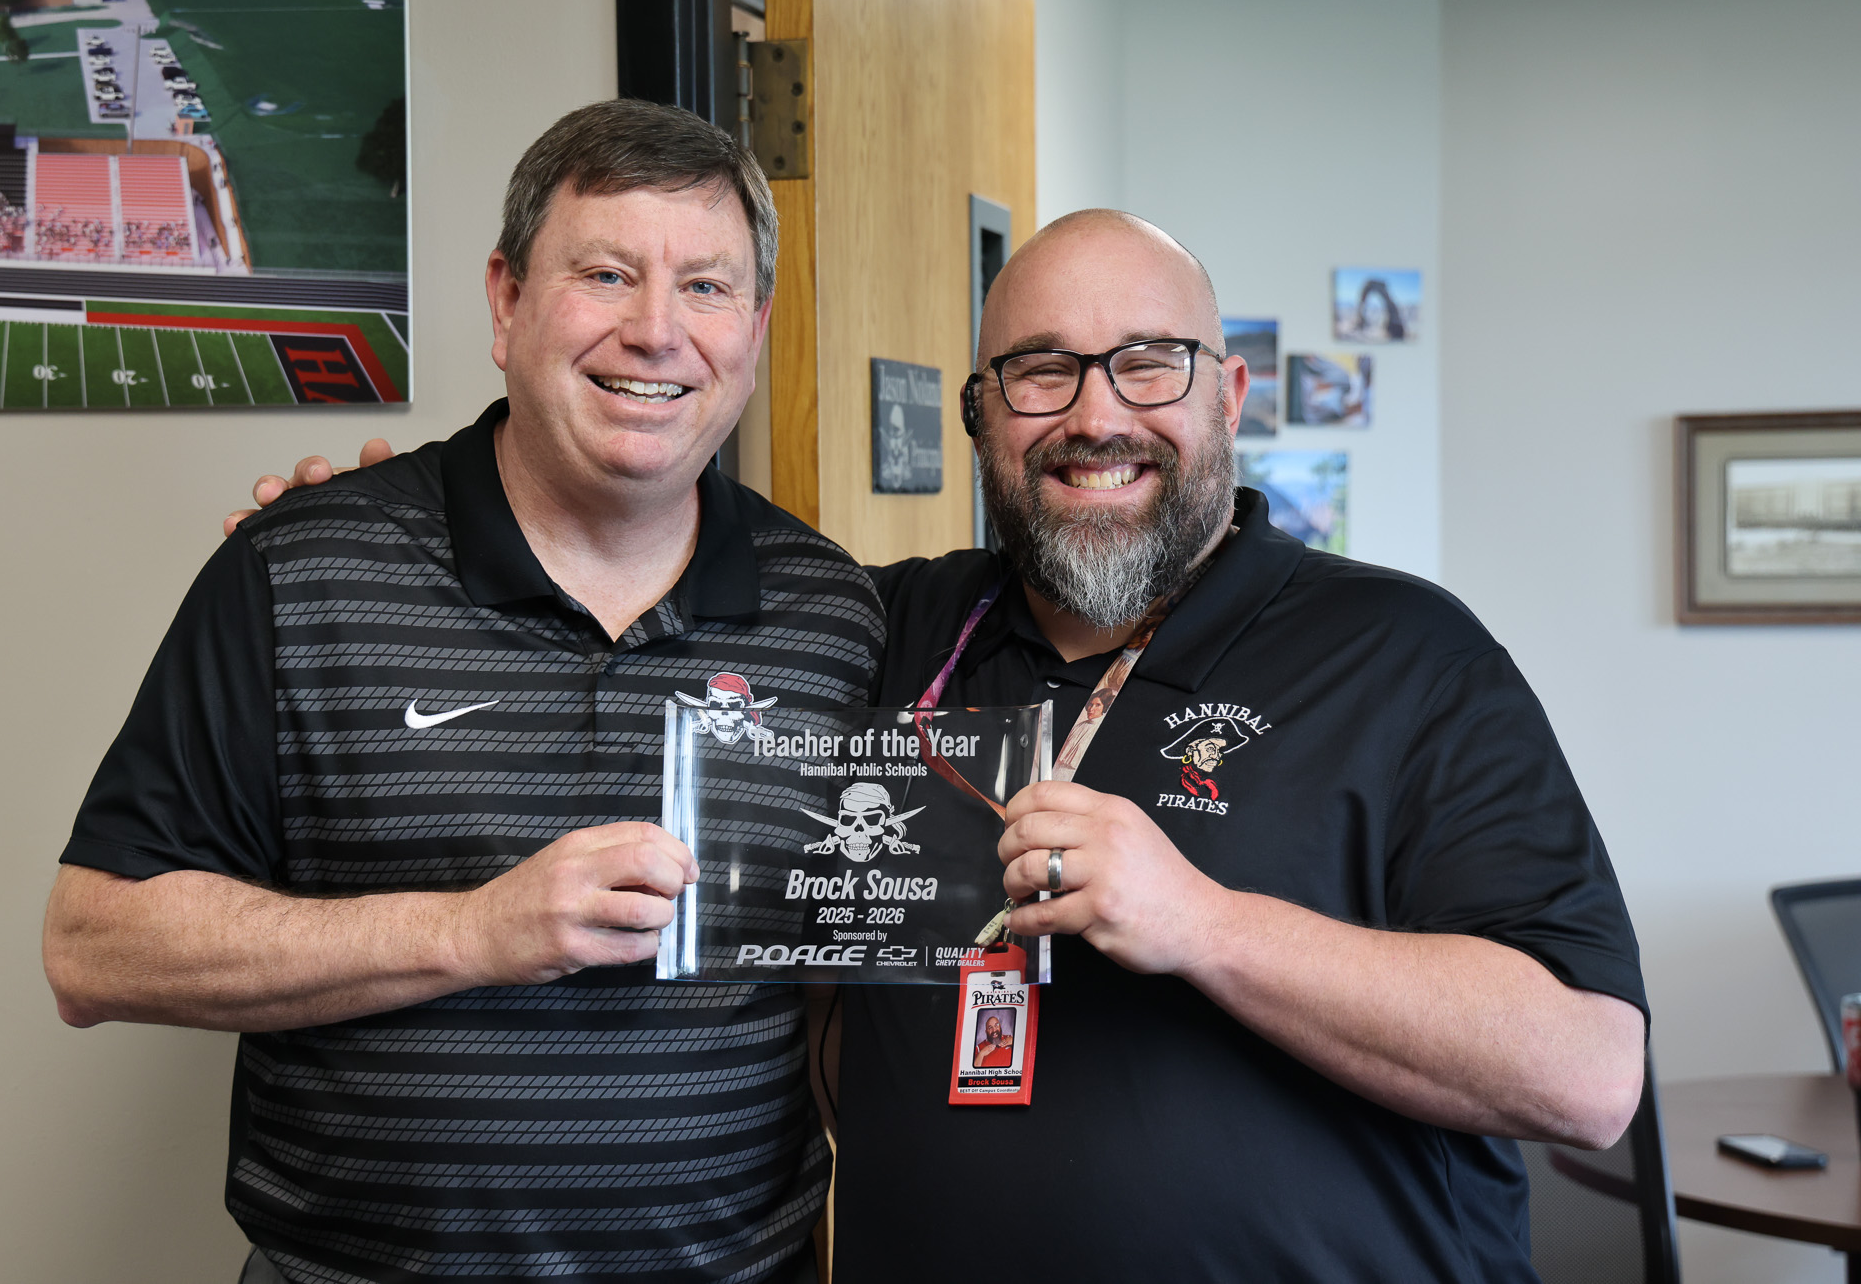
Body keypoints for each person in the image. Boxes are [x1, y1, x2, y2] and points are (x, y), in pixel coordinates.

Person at [233, 210, 1647, 1281]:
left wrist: (1208, 924)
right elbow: (614, 604)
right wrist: (389, 531)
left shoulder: (1409, 656)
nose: (1096, 415)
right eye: (1038, 373)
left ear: (1228, 395)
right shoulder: (879, 626)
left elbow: (1584, 1073)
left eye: (1148, 364)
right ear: (981, 417)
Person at [43, 100, 883, 1284]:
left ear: (753, 325)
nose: (656, 332)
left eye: (704, 287)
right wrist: (468, 930)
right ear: (505, 299)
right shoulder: (301, 569)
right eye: (604, 273)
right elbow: (94, 947)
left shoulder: (835, 613)